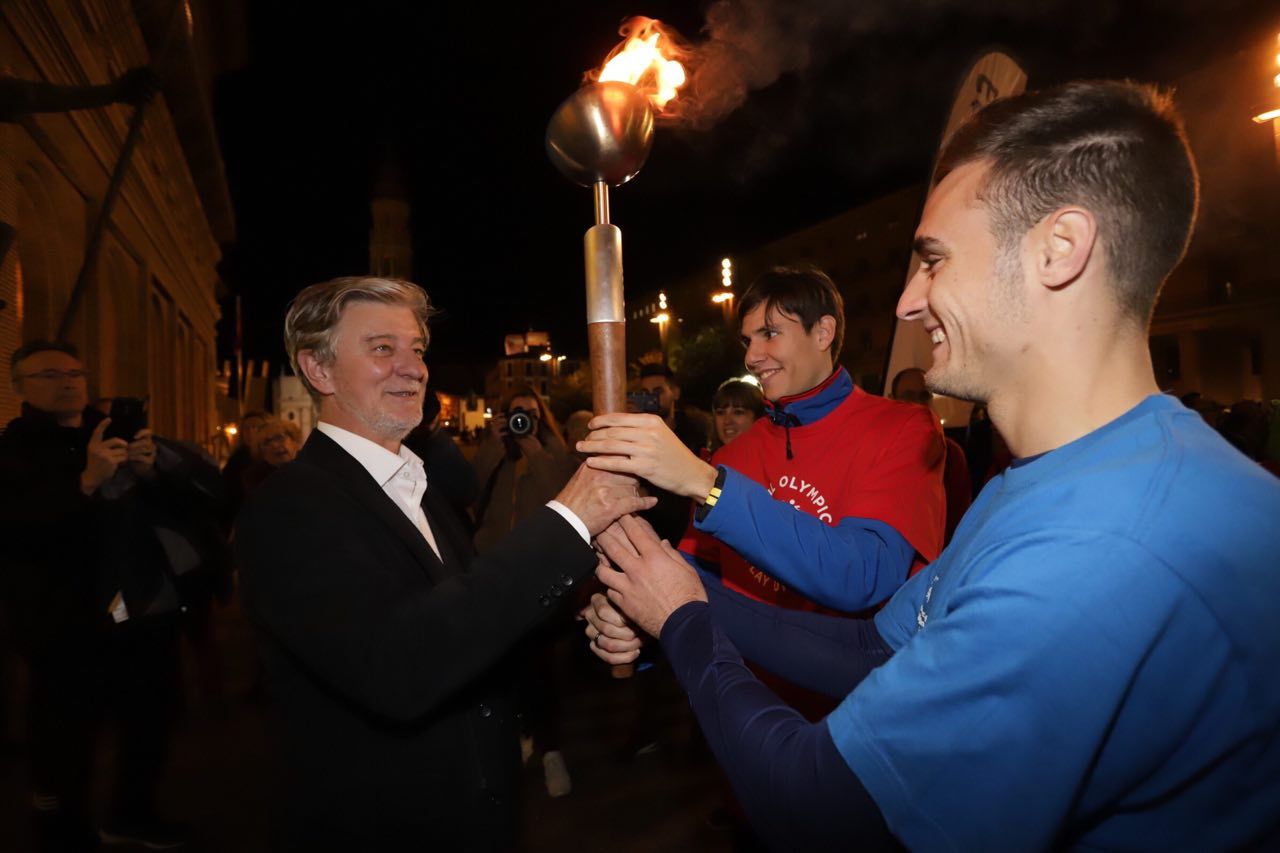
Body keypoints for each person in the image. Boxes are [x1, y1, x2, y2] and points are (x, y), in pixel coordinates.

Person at [584, 80, 1280, 851]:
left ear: (1059, 248)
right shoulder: (1041, 482)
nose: (910, 301)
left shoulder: (1102, 550)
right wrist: (670, 592)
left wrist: (683, 621)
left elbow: (815, 806)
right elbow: (870, 651)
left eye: (934, 261)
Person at [233, 276, 651, 851]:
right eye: (382, 349)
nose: (413, 368)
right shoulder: (289, 510)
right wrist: (569, 521)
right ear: (318, 370)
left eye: (418, 349)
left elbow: (471, 619)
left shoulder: (416, 486)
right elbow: (399, 666)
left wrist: (589, 616)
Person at [580, 268, 946, 623]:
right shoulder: (732, 455)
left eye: (769, 333)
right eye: (747, 340)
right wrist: (638, 624)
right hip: (739, 681)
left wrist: (709, 486)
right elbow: (693, 584)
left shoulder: (903, 428)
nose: (751, 356)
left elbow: (863, 577)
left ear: (823, 332)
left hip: (855, 685)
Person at [0, 341, 197, 851]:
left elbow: (180, 513)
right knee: (64, 734)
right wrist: (85, 482)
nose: (67, 382)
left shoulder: (114, 434)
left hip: (138, 607)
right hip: (62, 618)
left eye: (74, 372)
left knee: (147, 723)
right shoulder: (13, 450)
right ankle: (61, 827)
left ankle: (131, 815)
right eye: (48, 375)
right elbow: (18, 532)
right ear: (19, 387)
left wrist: (152, 471)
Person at [469, 386, 578, 796]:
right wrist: (491, 447)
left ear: (541, 417)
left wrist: (533, 446)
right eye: (516, 414)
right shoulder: (495, 453)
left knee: (541, 667)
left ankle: (550, 749)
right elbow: (470, 492)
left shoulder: (555, 454)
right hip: (495, 576)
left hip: (540, 578)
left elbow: (565, 496)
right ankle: (519, 737)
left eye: (530, 414)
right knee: (502, 667)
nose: (522, 420)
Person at [889, 367, 971, 542]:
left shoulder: (951, 454)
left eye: (924, 396)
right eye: (909, 396)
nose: (918, 403)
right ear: (892, 400)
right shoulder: (879, 452)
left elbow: (959, 520)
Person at [709, 378, 764, 453]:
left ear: (758, 417)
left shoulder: (775, 460)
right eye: (720, 413)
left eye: (738, 412)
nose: (727, 421)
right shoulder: (704, 462)